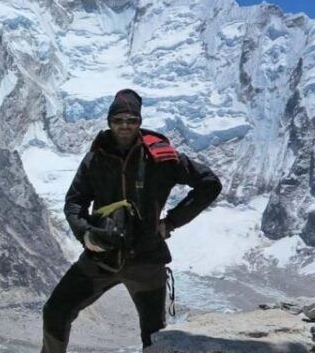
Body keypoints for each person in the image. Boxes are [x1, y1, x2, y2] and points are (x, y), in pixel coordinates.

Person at [41, 89, 222, 352]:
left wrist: (171, 222)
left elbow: (209, 184)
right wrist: (86, 234)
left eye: (131, 120)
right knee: (56, 310)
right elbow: (74, 202)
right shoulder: (96, 158)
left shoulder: (161, 157)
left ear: (139, 122)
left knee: (153, 335)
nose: (124, 126)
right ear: (109, 122)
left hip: (146, 258)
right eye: (118, 120)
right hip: (102, 254)